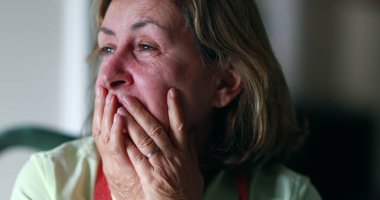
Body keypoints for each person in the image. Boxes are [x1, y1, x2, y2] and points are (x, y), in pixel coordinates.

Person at [11, 0, 322, 199]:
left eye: (145, 46)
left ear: (224, 83)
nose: (107, 76)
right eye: (107, 47)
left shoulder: (289, 195)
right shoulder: (49, 182)